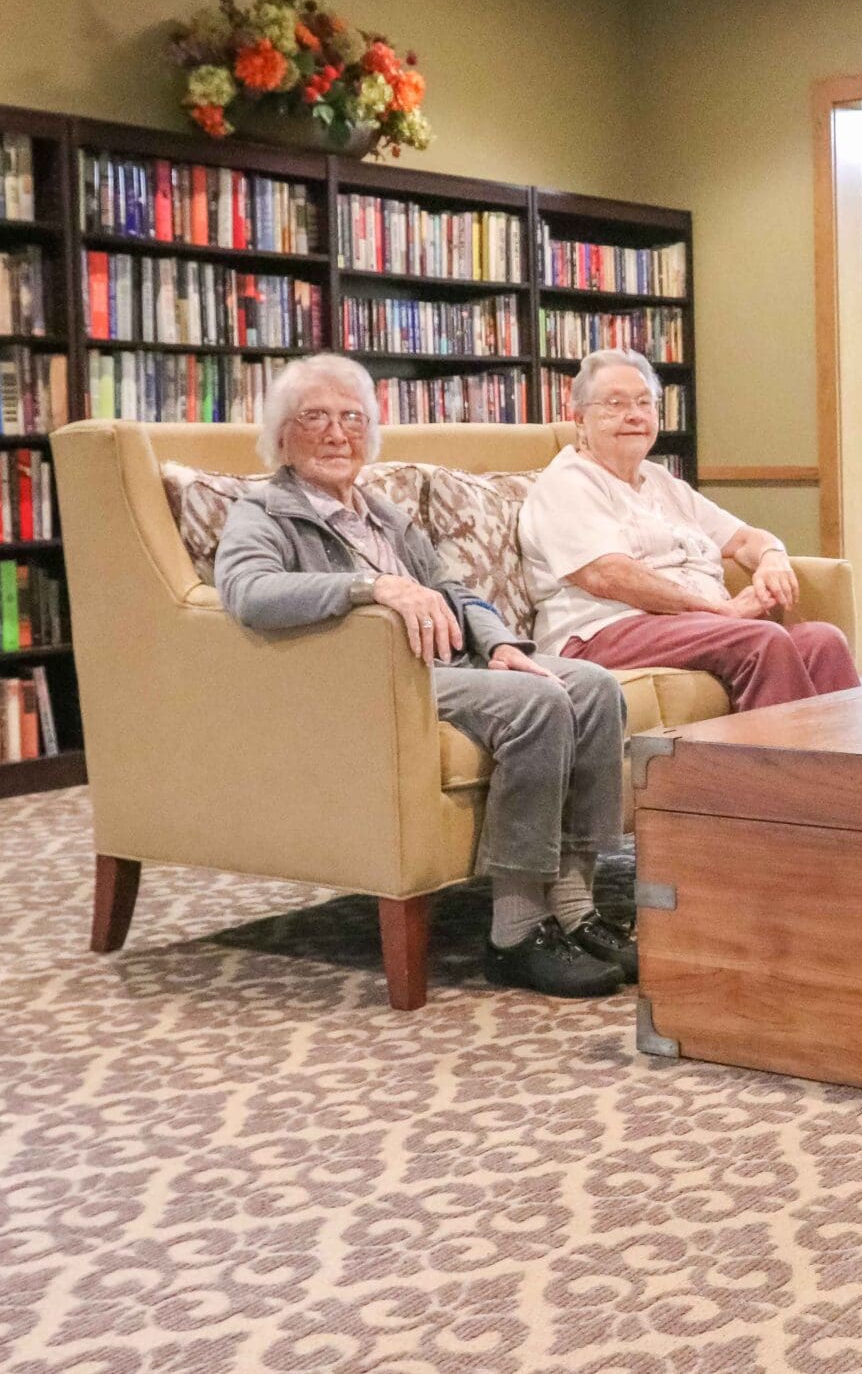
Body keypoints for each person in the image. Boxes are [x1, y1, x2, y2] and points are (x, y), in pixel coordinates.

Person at [213, 353, 636, 999]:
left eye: (352, 418)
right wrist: (370, 586)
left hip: (451, 663)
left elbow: (450, 588)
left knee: (594, 687)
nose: (337, 434)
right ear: (282, 435)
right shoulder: (264, 510)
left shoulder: (382, 512)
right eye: (315, 418)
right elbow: (248, 593)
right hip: (378, 677)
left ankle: (576, 906)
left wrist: (498, 643)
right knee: (536, 704)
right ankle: (517, 932)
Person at [523, 349, 861, 711]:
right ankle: (778, 751)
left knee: (822, 641)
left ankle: (843, 752)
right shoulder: (569, 481)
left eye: (644, 403)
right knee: (762, 640)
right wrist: (718, 611)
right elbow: (609, 575)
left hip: (689, 627)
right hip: (601, 631)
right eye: (615, 404)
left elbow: (744, 539)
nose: (634, 415)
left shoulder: (661, 481)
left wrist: (772, 557)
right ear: (579, 418)